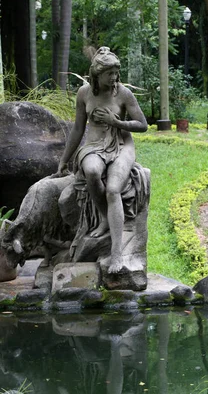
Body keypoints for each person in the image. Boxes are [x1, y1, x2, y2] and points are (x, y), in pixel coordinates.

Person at [54, 47, 148, 273]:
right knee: (93, 172)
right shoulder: (84, 93)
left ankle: (117, 255)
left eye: (116, 73)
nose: (114, 78)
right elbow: (77, 129)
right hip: (94, 146)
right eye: (110, 74)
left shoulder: (124, 93)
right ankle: (106, 218)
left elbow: (142, 125)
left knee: (114, 189)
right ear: (97, 75)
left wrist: (116, 122)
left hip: (122, 145)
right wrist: (64, 160)